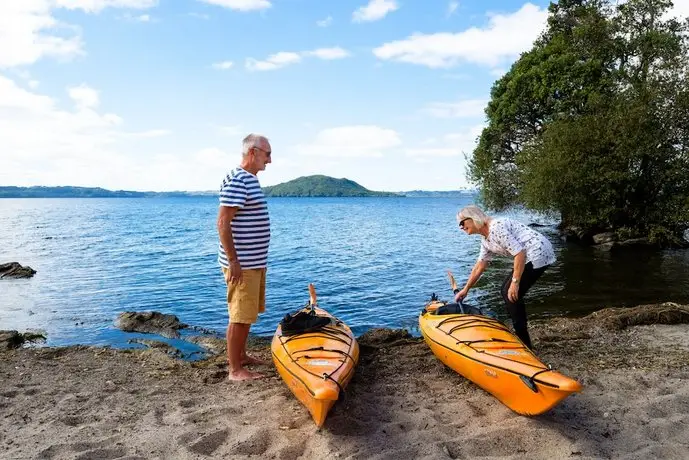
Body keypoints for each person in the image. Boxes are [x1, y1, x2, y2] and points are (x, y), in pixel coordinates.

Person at [454, 205, 555, 349]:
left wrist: (515, 282)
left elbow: (519, 253)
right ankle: (522, 338)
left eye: (462, 223)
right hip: (528, 255)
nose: (461, 227)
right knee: (507, 291)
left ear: (473, 218)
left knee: (511, 292)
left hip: (538, 251)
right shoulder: (485, 240)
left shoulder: (496, 227)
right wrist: (465, 290)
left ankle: (524, 343)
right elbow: (479, 266)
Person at [216, 133, 272, 381]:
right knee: (239, 316)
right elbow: (222, 222)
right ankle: (235, 369)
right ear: (253, 152)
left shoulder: (248, 179)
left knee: (247, 313)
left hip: (253, 262)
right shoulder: (239, 180)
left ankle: (241, 355)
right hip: (243, 264)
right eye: (267, 154)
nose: (269, 160)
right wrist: (234, 261)